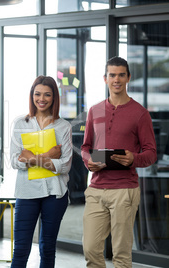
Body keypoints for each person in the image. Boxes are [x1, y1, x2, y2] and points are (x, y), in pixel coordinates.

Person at [81, 56, 157, 267]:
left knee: (121, 255)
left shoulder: (140, 114)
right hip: (96, 189)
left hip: (124, 191)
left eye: (121, 75)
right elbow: (85, 147)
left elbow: (151, 153)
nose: (117, 79)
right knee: (90, 249)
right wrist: (89, 162)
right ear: (105, 79)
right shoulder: (95, 110)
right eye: (112, 75)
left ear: (128, 78)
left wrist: (134, 158)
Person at [10, 75, 73, 268]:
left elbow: (65, 165)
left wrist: (31, 158)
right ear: (32, 96)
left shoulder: (63, 126)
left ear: (54, 97)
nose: (42, 99)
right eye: (37, 94)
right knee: (21, 249)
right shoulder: (20, 123)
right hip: (27, 192)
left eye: (47, 94)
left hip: (55, 194)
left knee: (47, 248)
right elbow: (14, 161)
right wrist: (48, 156)